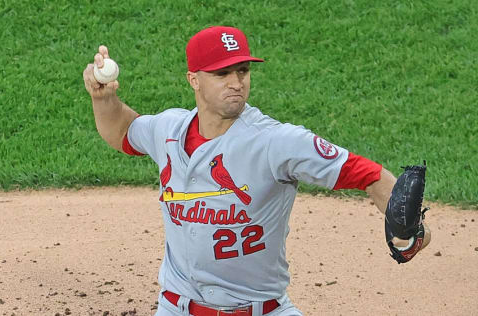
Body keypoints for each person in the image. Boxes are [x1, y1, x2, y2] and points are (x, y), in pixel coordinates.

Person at [83, 26, 431, 316]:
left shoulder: (275, 142)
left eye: (243, 71)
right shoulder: (168, 129)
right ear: (194, 80)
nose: (237, 82)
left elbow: (365, 173)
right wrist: (103, 100)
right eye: (222, 74)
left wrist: (413, 230)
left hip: (262, 309)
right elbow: (124, 131)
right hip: (176, 307)